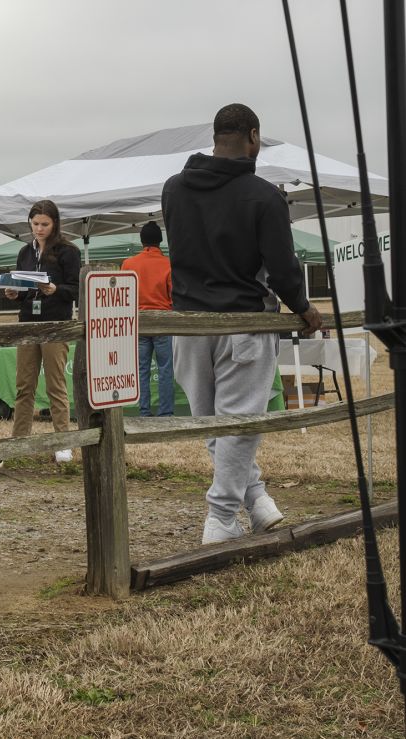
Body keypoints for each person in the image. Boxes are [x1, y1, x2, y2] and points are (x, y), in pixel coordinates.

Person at [162, 103, 322, 545]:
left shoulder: (174, 189)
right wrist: (304, 307)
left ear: (215, 137)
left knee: (215, 423)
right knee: (239, 423)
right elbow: (284, 270)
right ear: (253, 136)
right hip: (244, 319)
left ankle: (256, 499)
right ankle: (220, 518)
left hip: (188, 323)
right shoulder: (264, 196)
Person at [4, 200, 81, 463]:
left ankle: (63, 441)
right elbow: (23, 288)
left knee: (55, 384)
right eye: (35, 224)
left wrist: (55, 290)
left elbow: (76, 289)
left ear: (55, 223)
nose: (39, 229)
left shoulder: (68, 251)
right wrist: (14, 294)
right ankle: (19, 439)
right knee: (24, 385)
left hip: (55, 323)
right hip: (28, 321)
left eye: (44, 224)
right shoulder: (25, 252)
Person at [121, 221, 174, 417]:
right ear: (160, 241)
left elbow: (122, 295)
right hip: (163, 320)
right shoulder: (169, 264)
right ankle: (166, 413)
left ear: (142, 241)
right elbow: (173, 295)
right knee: (166, 368)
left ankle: (144, 411)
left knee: (142, 369)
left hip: (138, 321)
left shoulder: (128, 264)